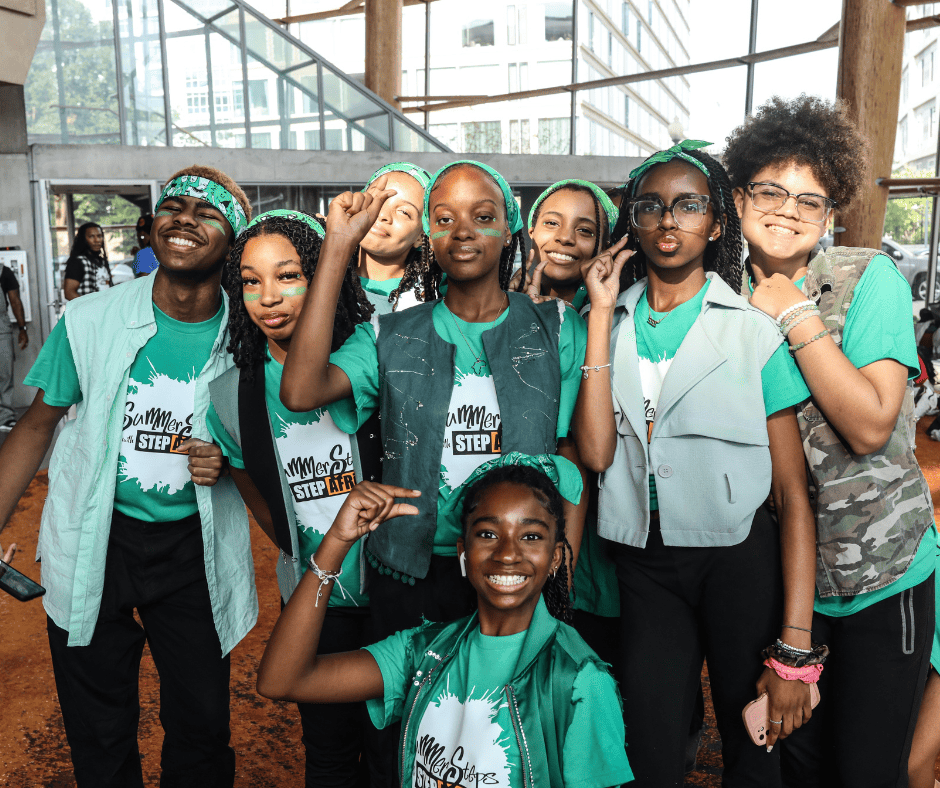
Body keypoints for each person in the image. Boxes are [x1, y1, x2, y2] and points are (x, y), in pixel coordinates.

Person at [0, 165, 255, 788]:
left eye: (209, 211)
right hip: (94, 538)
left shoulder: (249, 333)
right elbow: (36, 426)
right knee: (98, 727)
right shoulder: (90, 320)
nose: (186, 218)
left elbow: (266, 441)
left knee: (200, 727)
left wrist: (226, 460)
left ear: (235, 239)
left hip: (195, 548)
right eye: (175, 205)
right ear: (153, 223)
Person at [574, 141, 818, 787]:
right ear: (633, 222)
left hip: (739, 559)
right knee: (650, 745)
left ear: (715, 224)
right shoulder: (607, 324)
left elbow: (793, 495)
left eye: (688, 205)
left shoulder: (753, 333)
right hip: (642, 561)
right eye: (649, 206)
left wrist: (794, 647)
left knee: (754, 742)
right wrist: (599, 313)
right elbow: (596, 454)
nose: (667, 221)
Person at [724, 95, 937, 788]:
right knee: (795, 767)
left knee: (869, 769)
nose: (788, 210)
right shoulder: (711, 294)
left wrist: (791, 309)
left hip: (885, 574)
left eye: (810, 201)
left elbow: (872, 424)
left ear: (829, 215)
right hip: (784, 579)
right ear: (737, 194)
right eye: (771, 190)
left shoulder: (865, 276)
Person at [281, 161, 589, 635]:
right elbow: (301, 391)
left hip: (515, 566)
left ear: (509, 229)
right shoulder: (388, 333)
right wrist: (339, 243)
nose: (463, 231)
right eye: (445, 219)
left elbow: (569, 453)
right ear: (429, 235)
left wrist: (562, 559)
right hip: (410, 574)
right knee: (410, 705)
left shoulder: (558, 327)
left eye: (483, 217)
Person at [256, 457, 635, 788]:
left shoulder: (579, 680)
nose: (507, 553)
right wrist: (337, 541)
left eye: (531, 536)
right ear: (463, 552)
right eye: (488, 533)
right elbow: (284, 679)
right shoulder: (424, 652)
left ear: (555, 559)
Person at [205, 209, 385, 787]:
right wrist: (295, 553)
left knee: (397, 748)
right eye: (251, 282)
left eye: (287, 276)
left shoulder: (372, 355)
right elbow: (253, 486)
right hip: (315, 599)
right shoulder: (232, 393)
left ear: (321, 276)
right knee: (328, 752)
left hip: (394, 591)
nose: (268, 297)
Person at [355, 162, 436, 314]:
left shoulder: (432, 297)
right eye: (375, 199)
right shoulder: (317, 274)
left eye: (404, 212)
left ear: (421, 236)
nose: (383, 215)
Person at [0, 263, 28, 432]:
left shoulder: (4, 272)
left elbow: (15, 300)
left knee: (4, 373)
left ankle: (5, 416)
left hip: (1, 329)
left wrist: (22, 328)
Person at [63, 222, 112, 299]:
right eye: (91, 236)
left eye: (99, 236)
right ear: (83, 239)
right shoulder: (78, 261)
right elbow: (69, 293)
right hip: (88, 310)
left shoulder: (101, 261)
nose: (97, 240)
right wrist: (89, 307)